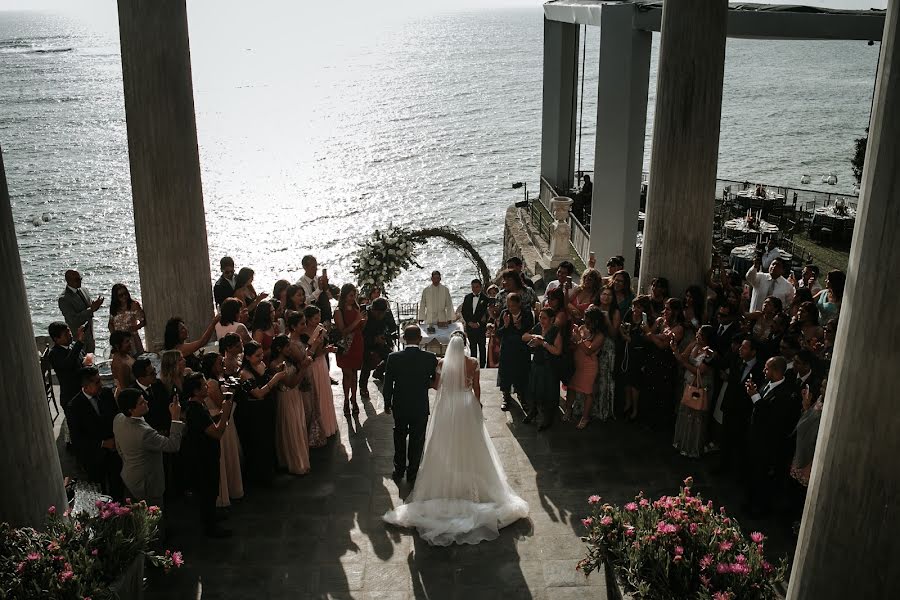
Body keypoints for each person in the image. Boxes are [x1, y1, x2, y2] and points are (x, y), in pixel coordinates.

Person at [382, 332, 529, 546]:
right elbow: (476, 387)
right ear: (467, 344)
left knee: (443, 445)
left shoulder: (442, 362)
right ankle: (471, 485)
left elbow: (436, 386)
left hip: (447, 408)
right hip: (466, 405)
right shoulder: (473, 362)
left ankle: (446, 481)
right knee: (472, 445)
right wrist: (476, 404)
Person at [113, 388, 184, 536]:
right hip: (148, 483)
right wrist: (176, 417)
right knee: (153, 522)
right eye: (141, 402)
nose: (146, 402)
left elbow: (119, 448)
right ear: (131, 410)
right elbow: (173, 445)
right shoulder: (144, 433)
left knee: (138, 518)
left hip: (129, 476)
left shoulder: (118, 419)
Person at [381, 325, 438, 485]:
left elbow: (388, 384)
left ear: (404, 339)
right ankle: (412, 472)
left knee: (399, 436)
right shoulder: (430, 357)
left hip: (400, 404)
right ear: (420, 339)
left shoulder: (393, 357)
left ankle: (399, 469)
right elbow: (434, 380)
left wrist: (387, 402)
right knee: (417, 439)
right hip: (420, 405)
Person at [743, 356, 799, 516]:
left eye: (766, 368)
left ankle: (760, 509)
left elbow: (770, 416)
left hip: (768, 444)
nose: (763, 371)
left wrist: (754, 396)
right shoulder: (766, 384)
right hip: (755, 438)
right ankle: (750, 502)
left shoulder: (785, 393)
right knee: (753, 473)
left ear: (776, 371)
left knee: (762, 477)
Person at [182, 372, 234, 537]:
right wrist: (226, 412)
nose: (208, 387)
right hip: (203, 456)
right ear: (196, 391)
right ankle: (210, 526)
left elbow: (209, 423)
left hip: (206, 453)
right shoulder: (196, 410)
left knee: (211, 487)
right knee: (208, 489)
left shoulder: (198, 405)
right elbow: (217, 432)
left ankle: (211, 515)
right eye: (204, 385)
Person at [68, 366, 123, 499]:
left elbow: (116, 417)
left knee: (118, 485)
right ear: (86, 386)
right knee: (99, 491)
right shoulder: (74, 407)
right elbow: (77, 439)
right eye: (97, 382)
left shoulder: (106, 394)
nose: (101, 384)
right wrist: (103, 443)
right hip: (94, 456)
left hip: (114, 451)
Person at [236, 341, 285, 486]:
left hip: (265, 409)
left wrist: (274, 373)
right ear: (248, 357)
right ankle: (260, 476)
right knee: (259, 443)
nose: (261, 358)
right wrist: (275, 379)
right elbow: (258, 393)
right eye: (257, 356)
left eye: (261, 354)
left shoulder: (260, 366)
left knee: (268, 440)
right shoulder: (245, 373)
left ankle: (269, 470)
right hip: (254, 414)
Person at [201, 353, 244, 506]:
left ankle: (233, 488)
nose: (223, 365)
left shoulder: (219, 379)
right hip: (219, 420)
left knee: (231, 455)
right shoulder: (211, 383)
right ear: (212, 366)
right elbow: (221, 403)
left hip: (227, 419)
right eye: (220, 363)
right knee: (223, 456)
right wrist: (232, 390)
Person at [718, 337, 764, 474]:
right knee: (725, 438)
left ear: (753, 352)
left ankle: (737, 471)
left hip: (744, 411)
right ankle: (723, 466)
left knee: (740, 441)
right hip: (730, 406)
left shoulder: (760, 369)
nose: (740, 349)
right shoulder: (736, 360)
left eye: (744, 348)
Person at [269, 335, 310, 475]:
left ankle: (299, 458)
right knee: (291, 427)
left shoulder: (289, 360)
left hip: (295, 396)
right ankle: (294, 461)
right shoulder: (275, 365)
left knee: (298, 425)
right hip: (286, 397)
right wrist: (304, 369)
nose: (289, 349)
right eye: (287, 347)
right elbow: (290, 383)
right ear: (279, 348)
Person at [672, 325, 715, 458]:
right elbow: (683, 356)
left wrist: (684, 364)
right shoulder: (693, 344)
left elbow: (701, 371)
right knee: (685, 413)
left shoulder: (710, 353)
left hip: (701, 387)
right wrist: (675, 350)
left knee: (697, 416)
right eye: (698, 333)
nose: (697, 336)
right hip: (689, 383)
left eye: (701, 335)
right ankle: (682, 443)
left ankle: (693, 447)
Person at [301, 306, 339, 438]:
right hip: (313, 364)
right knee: (317, 392)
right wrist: (326, 350)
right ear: (309, 319)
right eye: (316, 318)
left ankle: (328, 423)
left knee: (325, 391)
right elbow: (313, 354)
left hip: (322, 363)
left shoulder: (321, 327)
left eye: (319, 317)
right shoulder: (304, 333)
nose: (318, 320)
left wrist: (327, 349)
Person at [522, 307, 563, 431]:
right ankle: (533, 411)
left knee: (548, 391)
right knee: (534, 388)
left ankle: (548, 417)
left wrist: (543, 343)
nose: (541, 320)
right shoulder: (538, 327)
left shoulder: (556, 331)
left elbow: (557, 351)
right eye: (540, 317)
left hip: (549, 366)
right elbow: (524, 336)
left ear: (551, 319)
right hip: (537, 363)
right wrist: (534, 336)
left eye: (544, 318)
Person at [567, 306, 606, 429]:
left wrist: (579, 340)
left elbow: (589, 351)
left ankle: (585, 417)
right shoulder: (582, 328)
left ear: (595, 321)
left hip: (589, 366)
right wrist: (573, 338)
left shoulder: (600, 335)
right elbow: (575, 345)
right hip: (577, 363)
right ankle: (568, 410)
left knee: (587, 392)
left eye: (588, 320)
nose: (585, 321)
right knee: (571, 387)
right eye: (585, 319)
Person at [496, 293, 534, 412]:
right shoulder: (505, 313)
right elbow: (499, 333)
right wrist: (506, 325)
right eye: (509, 305)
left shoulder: (526, 314)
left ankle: (522, 397)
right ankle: (506, 397)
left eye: (513, 305)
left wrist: (519, 327)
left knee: (522, 374)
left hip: (522, 349)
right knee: (506, 374)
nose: (511, 308)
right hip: (508, 349)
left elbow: (529, 330)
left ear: (519, 304)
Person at [334, 283, 366, 415]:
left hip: (357, 343)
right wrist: (357, 320)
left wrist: (363, 321)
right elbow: (343, 331)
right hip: (345, 345)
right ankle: (347, 400)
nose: (354, 298)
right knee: (347, 374)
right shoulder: (338, 311)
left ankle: (354, 399)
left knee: (354, 375)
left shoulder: (356, 308)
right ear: (344, 296)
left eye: (355, 296)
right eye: (351, 296)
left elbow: (360, 329)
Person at [58, 269, 104, 354]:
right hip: (78, 337)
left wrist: (96, 306)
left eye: (80, 279)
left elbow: (90, 308)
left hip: (90, 335)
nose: (80, 281)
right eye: (77, 280)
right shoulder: (64, 299)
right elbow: (73, 319)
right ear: (68, 280)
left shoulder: (84, 290)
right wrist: (91, 309)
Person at [359, 298, 396, 399]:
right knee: (367, 363)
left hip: (381, 339)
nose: (381, 316)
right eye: (379, 314)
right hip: (366, 342)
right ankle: (363, 387)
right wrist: (374, 339)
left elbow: (392, 328)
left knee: (391, 357)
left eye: (383, 313)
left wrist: (385, 336)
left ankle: (378, 371)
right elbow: (360, 333)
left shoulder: (387, 313)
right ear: (373, 310)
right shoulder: (365, 313)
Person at [48, 321, 86, 410]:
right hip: (71, 396)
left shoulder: (72, 345)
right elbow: (68, 364)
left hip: (83, 391)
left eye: (69, 331)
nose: (70, 335)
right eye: (66, 334)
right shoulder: (54, 354)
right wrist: (79, 342)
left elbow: (81, 358)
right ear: (56, 339)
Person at [131, 357, 172, 435]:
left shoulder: (158, 384)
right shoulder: (133, 394)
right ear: (141, 378)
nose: (156, 374)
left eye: (154, 370)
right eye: (152, 373)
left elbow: (167, 404)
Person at [107, 283, 145, 355]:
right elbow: (110, 323)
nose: (124, 296)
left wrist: (134, 328)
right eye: (121, 295)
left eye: (125, 293)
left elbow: (143, 322)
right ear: (116, 297)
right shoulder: (114, 308)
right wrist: (114, 335)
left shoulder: (134, 305)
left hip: (131, 338)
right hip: (119, 340)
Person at [461, 279, 490, 368]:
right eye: (473, 287)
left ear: (480, 287)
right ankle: (473, 366)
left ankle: (482, 366)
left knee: (482, 347)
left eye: (477, 287)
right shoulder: (467, 297)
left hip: (480, 328)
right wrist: (469, 322)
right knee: (472, 347)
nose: (474, 289)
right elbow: (464, 311)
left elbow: (487, 314)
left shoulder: (485, 299)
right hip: (470, 327)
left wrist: (479, 324)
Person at [109, 330, 135, 394]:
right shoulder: (121, 364)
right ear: (117, 346)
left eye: (130, 340)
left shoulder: (126, 354)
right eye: (127, 342)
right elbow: (125, 388)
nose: (130, 343)